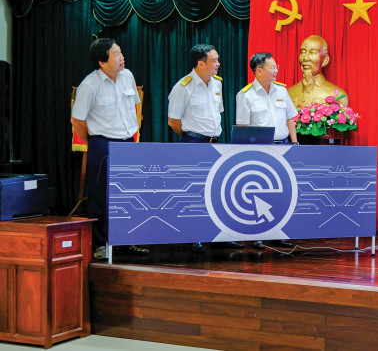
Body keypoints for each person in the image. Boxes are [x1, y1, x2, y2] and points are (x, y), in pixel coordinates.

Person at [71, 38, 149, 260]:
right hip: (103, 143)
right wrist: (93, 142)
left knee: (130, 194)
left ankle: (126, 240)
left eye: (120, 52)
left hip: (128, 142)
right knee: (101, 195)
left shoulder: (128, 76)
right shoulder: (89, 85)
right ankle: (100, 244)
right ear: (102, 62)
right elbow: (77, 120)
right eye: (116, 54)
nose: (122, 57)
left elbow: (134, 107)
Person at [167, 44, 243, 253]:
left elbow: (217, 114)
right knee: (195, 192)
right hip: (194, 143)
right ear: (201, 64)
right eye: (214, 60)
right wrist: (192, 137)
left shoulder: (217, 83)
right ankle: (194, 236)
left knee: (217, 190)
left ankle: (219, 236)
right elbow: (173, 122)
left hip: (215, 143)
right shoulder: (183, 87)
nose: (218, 64)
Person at [236, 52, 299, 249]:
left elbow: (290, 119)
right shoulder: (245, 95)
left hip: (283, 146)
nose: (276, 70)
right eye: (272, 67)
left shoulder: (282, 91)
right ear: (259, 70)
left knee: (282, 191)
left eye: (276, 66)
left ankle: (279, 233)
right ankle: (258, 234)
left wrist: (294, 143)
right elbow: (242, 128)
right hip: (260, 149)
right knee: (258, 192)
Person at [287, 35, 348, 108]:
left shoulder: (338, 96)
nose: (305, 58)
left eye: (313, 52)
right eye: (303, 52)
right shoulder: (288, 93)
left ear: (325, 60)